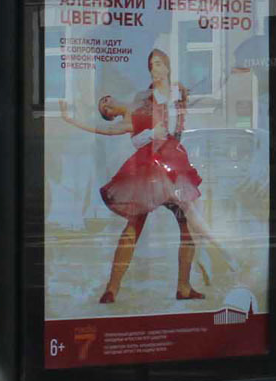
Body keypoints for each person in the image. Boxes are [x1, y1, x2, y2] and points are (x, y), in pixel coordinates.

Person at [58, 44, 228, 304]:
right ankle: (113, 287)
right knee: (136, 225)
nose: (109, 102)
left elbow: (183, 113)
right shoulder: (137, 107)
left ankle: (183, 285)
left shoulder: (161, 94)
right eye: (106, 107)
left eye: (158, 63)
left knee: (187, 227)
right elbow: (118, 134)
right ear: (111, 114)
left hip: (174, 165)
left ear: (167, 66)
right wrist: (70, 121)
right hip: (151, 170)